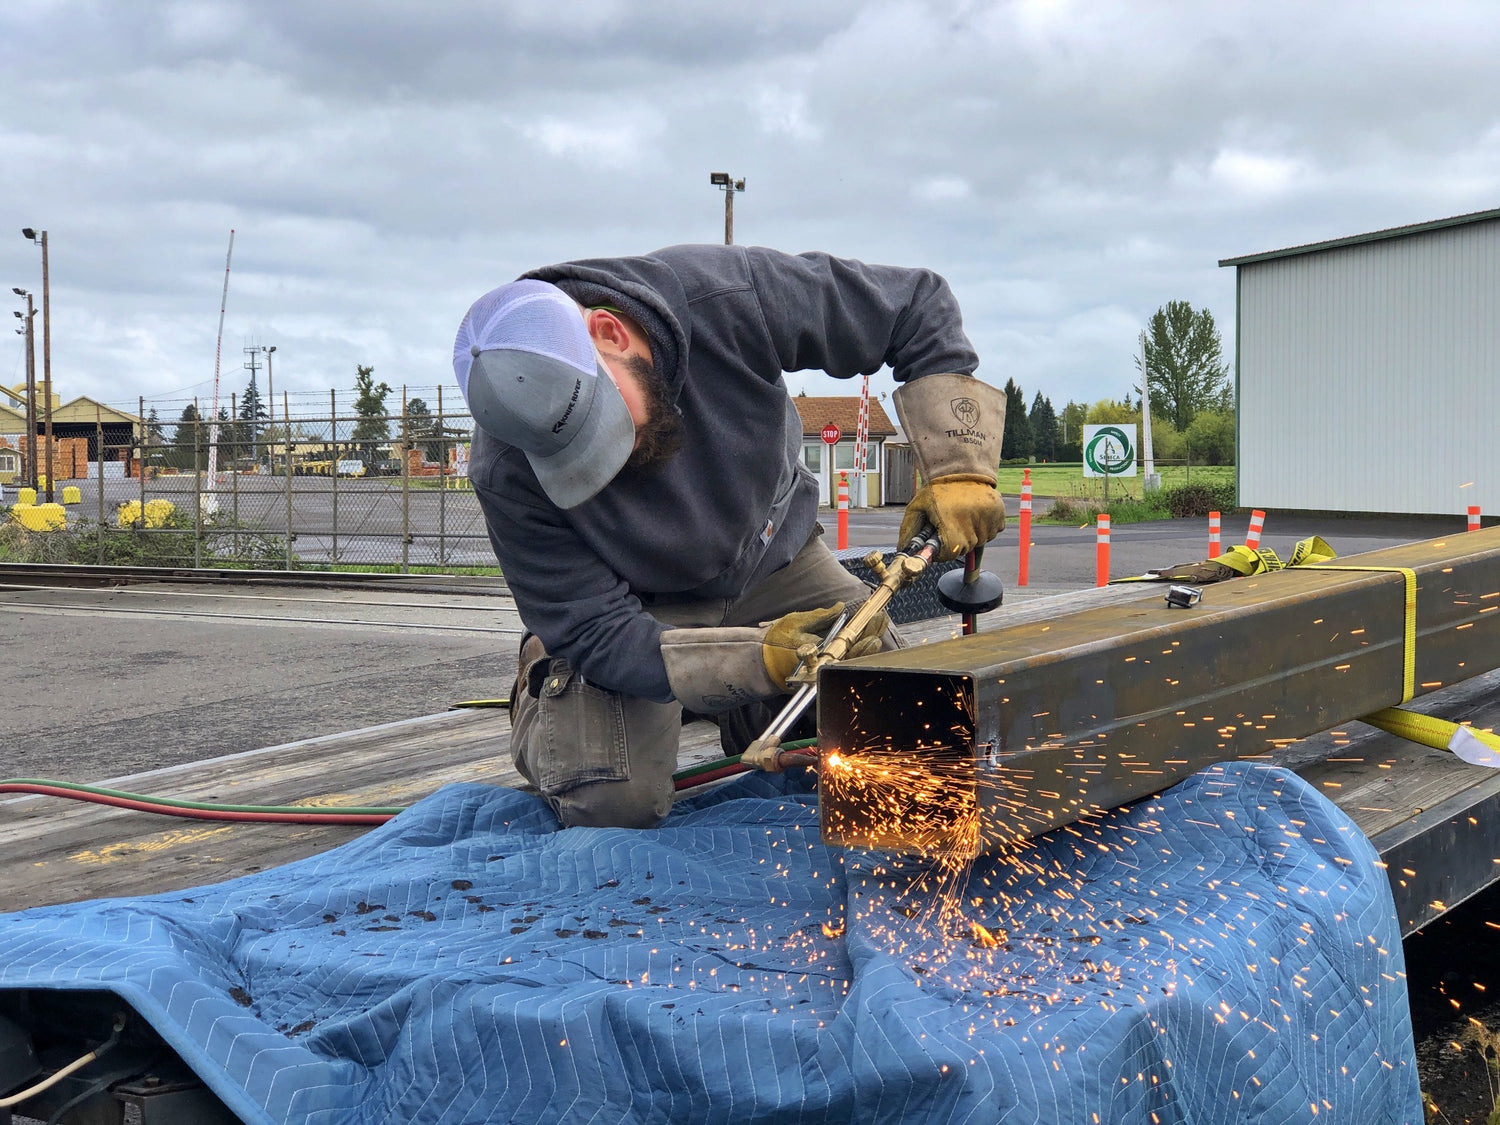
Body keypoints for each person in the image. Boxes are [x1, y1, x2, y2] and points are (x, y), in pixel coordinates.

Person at [453, 244, 1006, 829]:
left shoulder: (728, 298)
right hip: (635, 611)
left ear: (611, 333)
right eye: (570, 455)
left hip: (774, 561)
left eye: (603, 423)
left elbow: (914, 306)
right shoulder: (504, 469)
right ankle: (547, 699)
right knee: (611, 800)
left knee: (908, 739)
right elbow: (593, 626)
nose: (602, 462)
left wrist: (958, 466)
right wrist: (756, 660)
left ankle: (747, 709)